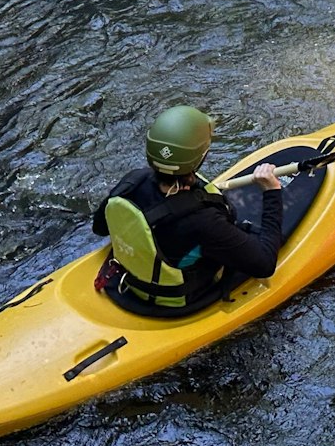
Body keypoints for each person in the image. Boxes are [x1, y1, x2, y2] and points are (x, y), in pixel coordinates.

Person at [91, 105, 285, 315]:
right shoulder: (203, 219)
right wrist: (272, 191)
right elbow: (265, 265)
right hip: (177, 299)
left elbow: (100, 228)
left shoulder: (133, 181)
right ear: (200, 157)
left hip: (132, 281)